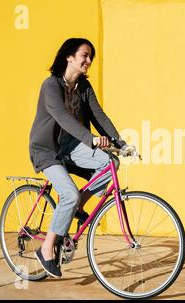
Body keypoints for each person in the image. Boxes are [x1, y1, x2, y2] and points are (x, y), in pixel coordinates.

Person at [29, 38, 135, 278]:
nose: (88, 61)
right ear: (69, 57)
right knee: (69, 192)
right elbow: (62, 117)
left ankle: (77, 206)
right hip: (47, 150)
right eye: (85, 55)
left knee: (111, 162)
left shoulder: (84, 88)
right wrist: (92, 139)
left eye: (91, 57)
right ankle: (46, 248)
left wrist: (121, 143)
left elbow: (100, 117)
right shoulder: (51, 86)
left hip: (72, 146)